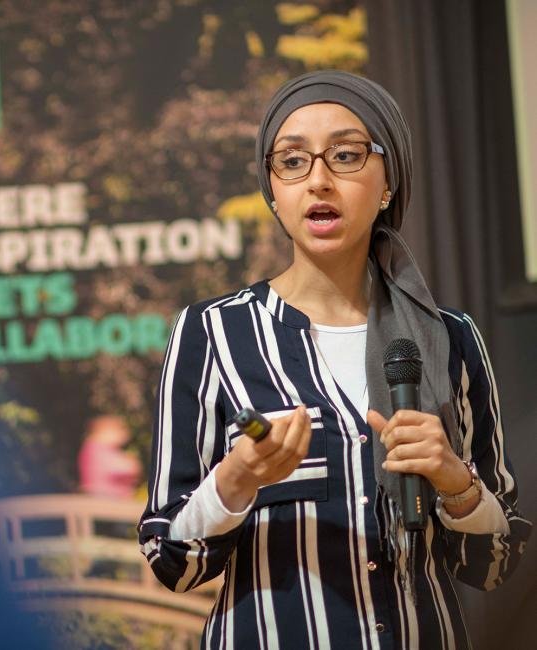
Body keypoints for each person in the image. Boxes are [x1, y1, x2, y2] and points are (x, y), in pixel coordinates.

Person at [137, 70, 532, 650]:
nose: (318, 180)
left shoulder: (452, 338)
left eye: (345, 155)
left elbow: (496, 564)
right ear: (274, 190)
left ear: (388, 182)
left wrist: (456, 483)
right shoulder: (212, 333)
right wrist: (237, 478)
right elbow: (172, 560)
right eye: (292, 162)